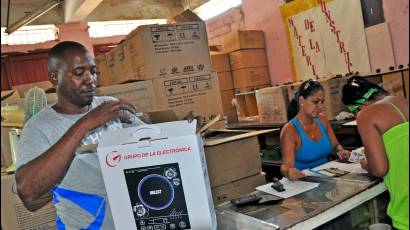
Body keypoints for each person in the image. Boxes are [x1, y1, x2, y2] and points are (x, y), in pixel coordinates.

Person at [15, 41, 144, 229]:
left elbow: (150, 142)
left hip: (134, 220)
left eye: (93, 71)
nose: (90, 79)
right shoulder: (38, 128)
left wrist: (180, 131)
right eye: (78, 73)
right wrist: (86, 123)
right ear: (54, 77)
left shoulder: (109, 105)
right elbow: (28, 193)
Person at [342, 75, 409, 230]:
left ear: (360, 104)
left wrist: (366, 164)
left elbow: (379, 169)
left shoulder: (366, 115)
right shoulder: (402, 101)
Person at [280, 79, 351, 180]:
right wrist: (288, 172)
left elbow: (335, 146)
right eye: (316, 102)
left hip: (327, 177)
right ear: (301, 101)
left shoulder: (322, 120)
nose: (321, 107)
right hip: (303, 182)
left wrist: (340, 151)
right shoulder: (290, 131)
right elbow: (286, 166)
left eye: (322, 102)